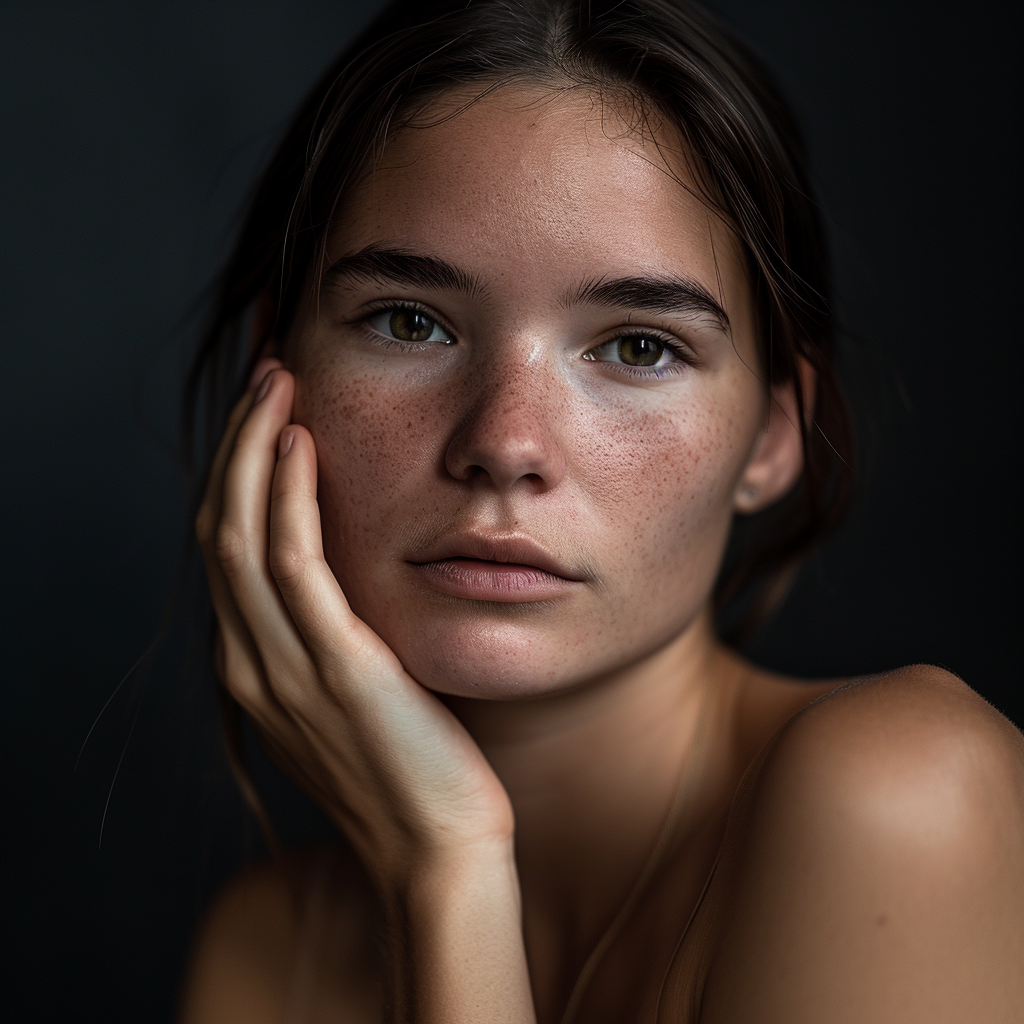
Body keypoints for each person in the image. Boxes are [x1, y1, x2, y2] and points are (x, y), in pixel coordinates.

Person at [178, 1, 1024, 1020]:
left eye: (636, 347)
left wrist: (444, 874)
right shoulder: (273, 950)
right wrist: (440, 865)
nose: (504, 442)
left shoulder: (900, 793)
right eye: (410, 323)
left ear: (771, 436)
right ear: (280, 373)